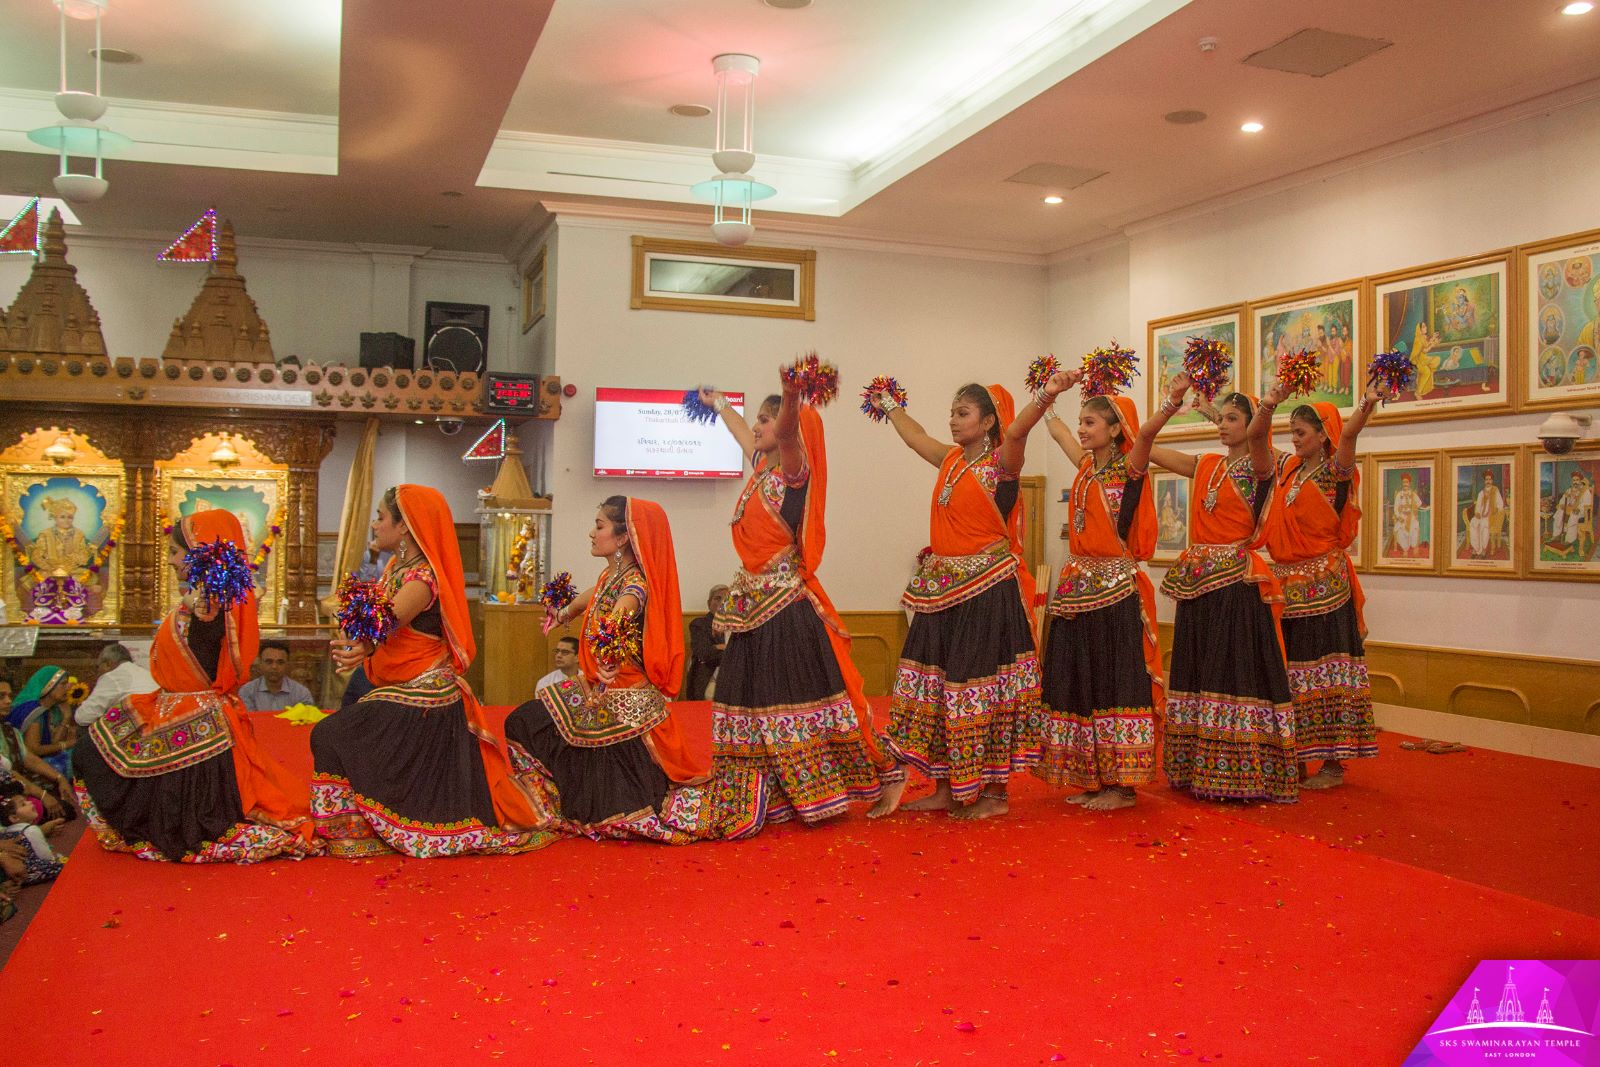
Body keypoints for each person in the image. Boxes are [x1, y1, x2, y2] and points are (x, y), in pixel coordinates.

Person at [696, 379, 905, 837]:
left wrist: (791, 397)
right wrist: (720, 404)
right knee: (749, 704)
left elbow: (788, 434)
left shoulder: (792, 474)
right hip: (751, 611)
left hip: (786, 612)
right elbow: (742, 433)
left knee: (797, 706)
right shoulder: (760, 470)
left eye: (764, 420)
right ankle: (772, 793)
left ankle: (886, 772)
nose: (755, 427)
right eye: (757, 419)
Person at [313, 485, 555, 858]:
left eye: (380, 517)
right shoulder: (395, 568)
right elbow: (378, 629)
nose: (375, 525)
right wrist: (361, 644)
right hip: (398, 685)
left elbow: (386, 623)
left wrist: (363, 644)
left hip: (425, 692)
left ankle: (372, 823)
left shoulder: (421, 579)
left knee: (331, 732)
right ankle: (366, 819)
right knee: (340, 726)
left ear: (404, 526)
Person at [73, 511, 319, 862]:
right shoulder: (204, 598)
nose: (170, 561)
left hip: (194, 712)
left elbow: (206, 619)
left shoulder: (211, 602)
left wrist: (196, 598)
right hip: (173, 704)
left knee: (93, 749)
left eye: (175, 552)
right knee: (93, 745)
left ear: (199, 552)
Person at [867, 380, 1045, 820]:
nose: (952, 420)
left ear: (987, 422)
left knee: (982, 691)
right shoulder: (949, 459)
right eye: (952, 412)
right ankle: (945, 788)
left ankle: (995, 795)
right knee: (936, 690)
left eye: (963, 413)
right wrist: (888, 402)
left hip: (987, 593)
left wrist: (1046, 397)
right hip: (941, 592)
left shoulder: (1001, 464)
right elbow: (915, 437)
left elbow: (1018, 432)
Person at [504, 496, 712, 842]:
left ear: (623, 537)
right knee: (524, 721)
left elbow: (621, 611)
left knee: (530, 722)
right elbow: (592, 595)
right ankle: (550, 802)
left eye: (599, 526)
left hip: (622, 697)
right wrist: (563, 613)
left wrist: (607, 654)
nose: (592, 533)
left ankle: (562, 804)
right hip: (596, 688)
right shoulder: (611, 576)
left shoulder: (634, 586)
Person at [1133, 375, 1297, 804]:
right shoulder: (1207, 463)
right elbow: (1148, 450)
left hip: (1236, 588)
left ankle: (1239, 771)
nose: (1223, 425)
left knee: (1232, 671)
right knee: (1200, 670)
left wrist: (1268, 406)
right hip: (1198, 585)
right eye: (1220, 418)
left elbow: (1259, 437)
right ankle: (1196, 766)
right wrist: (1158, 414)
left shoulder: (1261, 467)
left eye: (1232, 418)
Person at [1032, 372, 1162, 811]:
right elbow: (1059, 432)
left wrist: (1171, 402)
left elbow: (1145, 435)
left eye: (1090, 422)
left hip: (1116, 593)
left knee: (1114, 682)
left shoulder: (1129, 470)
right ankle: (1093, 777)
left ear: (1115, 428)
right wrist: (1046, 395)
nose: (1082, 429)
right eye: (1082, 422)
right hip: (1077, 593)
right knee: (1081, 682)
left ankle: (1122, 787)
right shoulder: (1087, 468)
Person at [1262, 383, 1385, 789]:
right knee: (1291, 675)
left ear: (1322, 435)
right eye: (1292, 433)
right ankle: (1296, 756)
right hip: (1287, 590)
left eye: (1301, 433)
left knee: (1327, 675)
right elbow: (1255, 443)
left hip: (1327, 591)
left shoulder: (1335, 473)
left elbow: (1349, 435)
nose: (1294, 440)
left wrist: (1366, 402)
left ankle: (1333, 764)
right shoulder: (1288, 471)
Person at [0, 678, 72, 819]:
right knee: (43, 810)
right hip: (6, 789)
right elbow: (5, 772)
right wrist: (42, 795)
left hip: (14, 785)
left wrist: (60, 778)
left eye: (9, 696)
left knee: (64, 809)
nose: (8, 701)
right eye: (1, 696)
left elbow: (28, 758)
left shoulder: (7, 729)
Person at [11, 667, 76, 778]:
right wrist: (66, 744)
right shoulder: (33, 710)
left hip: (42, 759)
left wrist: (66, 717)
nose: (68, 688)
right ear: (48, 686)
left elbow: (53, 743)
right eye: (63, 684)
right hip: (25, 765)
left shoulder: (54, 709)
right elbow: (34, 750)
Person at [74, 643, 156, 726]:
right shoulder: (146, 672)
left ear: (108, 664)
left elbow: (84, 717)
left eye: (98, 666)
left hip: (139, 727)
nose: (97, 671)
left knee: (85, 727)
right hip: (156, 724)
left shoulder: (112, 676)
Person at [238, 640, 315, 711]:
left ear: (287, 665)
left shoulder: (301, 693)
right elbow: (247, 719)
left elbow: (307, 719)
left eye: (280, 662)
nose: (274, 667)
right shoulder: (247, 691)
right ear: (260, 663)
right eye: (269, 662)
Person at [683, 584, 729, 701]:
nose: (722, 602)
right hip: (709, 677)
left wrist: (719, 647)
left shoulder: (739, 627)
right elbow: (703, 652)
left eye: (727, 599)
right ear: (709, 603)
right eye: (717, 598)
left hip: (734, 677)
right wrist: (730, 650)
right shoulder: (699, 624)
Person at [1465, 469, 1506, 558]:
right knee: (1473, 522)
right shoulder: (1481, 493)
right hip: (1481, 515)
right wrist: (1477, 513)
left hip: (1491, 516)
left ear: (1492, 480)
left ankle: (1483, 549)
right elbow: (1478, 506)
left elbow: (1500, 505)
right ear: (1484, 481)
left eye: (1489, 479)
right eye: (1486, 479)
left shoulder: (1496, 491)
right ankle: (1476, 548)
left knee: (1484, 525)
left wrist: (1495, 512)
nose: (1488, 481)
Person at [1391, 473, 1425, 557]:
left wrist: (1414, 506)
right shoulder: (1399, 494)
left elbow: (1419, 503)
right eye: (1404, 482)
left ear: (1409, 483)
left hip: (1411, 516)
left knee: (1414, 528)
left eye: (1407, 482)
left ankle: (1414, 546)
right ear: (1402, 483)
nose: (1405, 484)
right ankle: (1405, 549)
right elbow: (1395, 508)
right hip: (1402, 516)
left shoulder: (1413, 494)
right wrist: (1399, 517)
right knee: (1400, 530)